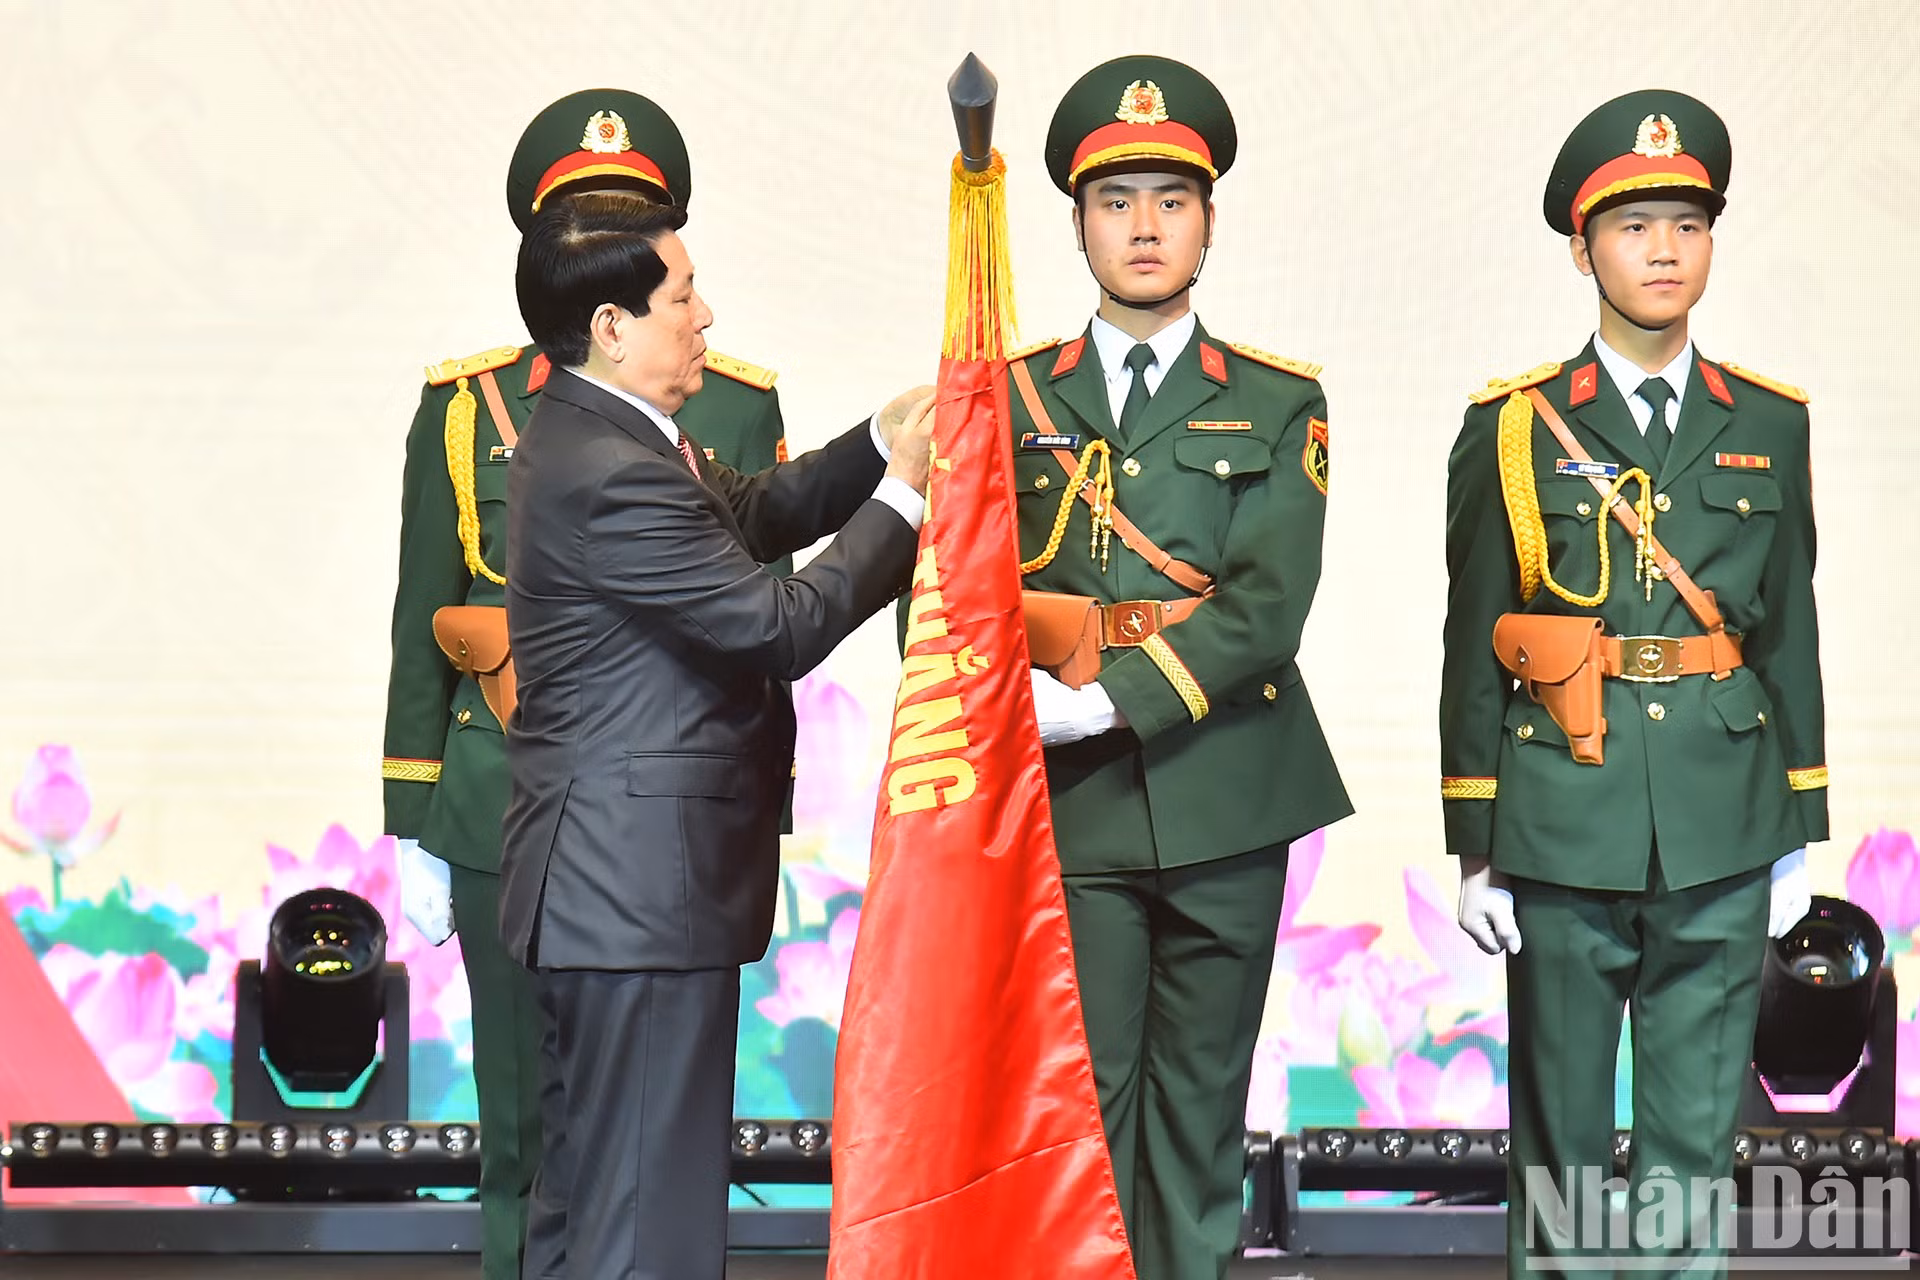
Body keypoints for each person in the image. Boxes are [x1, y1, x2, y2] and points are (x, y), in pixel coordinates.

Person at [378, 88, 790, 1280]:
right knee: (527, 1126)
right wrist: (413, 816)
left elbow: (756, 605)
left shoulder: (734, 402)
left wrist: (771, 791)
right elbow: (423, 611)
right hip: (500, 795)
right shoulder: (465, 410)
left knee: (650, 1134)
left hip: (671, 814)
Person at [498, 192, 933, 1280]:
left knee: (591, 1202)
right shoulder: (611, 475)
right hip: (636, 895)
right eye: (682, 296)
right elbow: (777, 624)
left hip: (609, 893)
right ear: (611, 325)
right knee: (649, 1221)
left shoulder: (602, 433)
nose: (705, 316)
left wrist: (882, 441)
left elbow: (757, 507)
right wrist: (912, 502)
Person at [1441, 89, 1823, 1275]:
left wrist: (1801, 828)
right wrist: (1475, 841)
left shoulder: (1770, 419)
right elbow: (1471, 636)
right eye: (1633, 225)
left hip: (1722, 813)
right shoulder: (1512, 427)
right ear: (1581, 247)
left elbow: (1791, 626)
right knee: (1559, 1144)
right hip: (1562, 812)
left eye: (1687, 223)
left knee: (1694, 1141)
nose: (1663, 250)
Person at [1008, 55, 1351, 1278]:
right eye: (1116, 202)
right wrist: (1002, 714)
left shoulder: (1275, 399)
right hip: (1069, 809)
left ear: (1209, 217)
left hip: (1226, 786)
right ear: (1078, 224)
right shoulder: (1007, 397)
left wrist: (1104, 699)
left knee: (1201, 1114)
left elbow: (1267, 606)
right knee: (1082, 1109)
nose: (1144, 226)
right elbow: (952, 598)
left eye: (1170, 199)